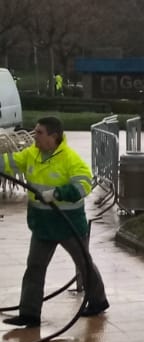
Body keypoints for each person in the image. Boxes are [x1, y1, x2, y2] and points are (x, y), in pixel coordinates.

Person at [0, 116, 108, 328]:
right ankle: (29, 314)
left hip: (68, 225)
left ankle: (98, 301)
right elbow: (9, 163)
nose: (35, 136)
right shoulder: (32, 154)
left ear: (53, 136)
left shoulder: (70, 159)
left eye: (39, 132)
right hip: (42, 226)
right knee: (34, 267)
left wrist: (58, 193)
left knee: (84, 264)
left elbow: (83, 185)